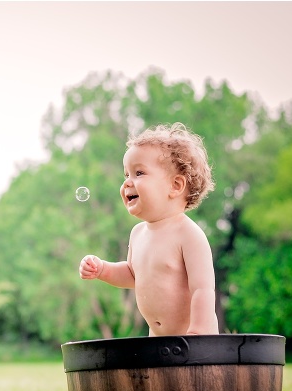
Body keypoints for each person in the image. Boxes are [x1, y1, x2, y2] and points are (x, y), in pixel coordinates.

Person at [79, 122, 219, 336]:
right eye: (126, 175)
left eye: (139, 173)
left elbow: (203, 289)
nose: (127, 183)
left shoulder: (188, 234)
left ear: (175, 186)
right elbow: (133, 275)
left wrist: (198, 332)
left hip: (194, 342)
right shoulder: (138, 234)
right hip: (157, 339)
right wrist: (103, 269)